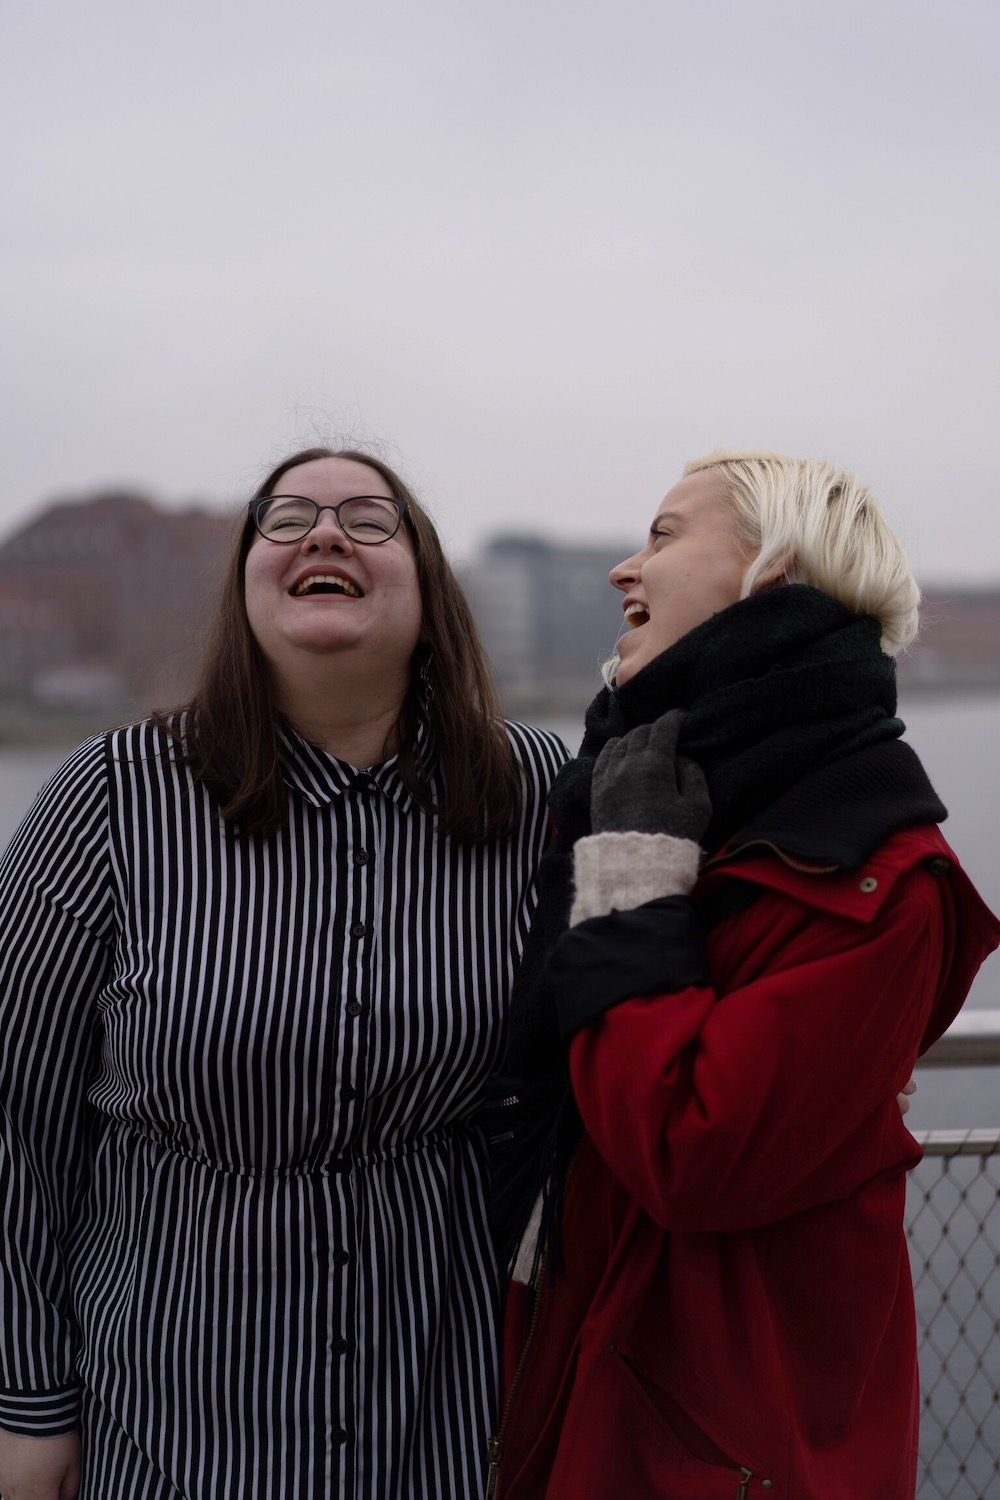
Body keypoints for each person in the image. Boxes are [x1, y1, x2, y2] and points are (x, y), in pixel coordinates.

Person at [0, 447, 569, 1500]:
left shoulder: (534, 795)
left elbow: (683, 935)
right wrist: (29, 1405)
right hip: (169, 1422)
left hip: (443, 1421)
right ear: (247, 583)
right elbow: (16, 1129)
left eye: (368, 518)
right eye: (288, 517)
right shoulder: (110, 801)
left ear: (427, 585)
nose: (324, 533)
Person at [489, 451, 1000, 1499]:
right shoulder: (644, 786)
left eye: (666, 536)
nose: (624, 570)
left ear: (774, 569)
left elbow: (695, 1155)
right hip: (572, 1379)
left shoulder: (879, 878)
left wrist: (634, 887)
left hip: (718, 1449)